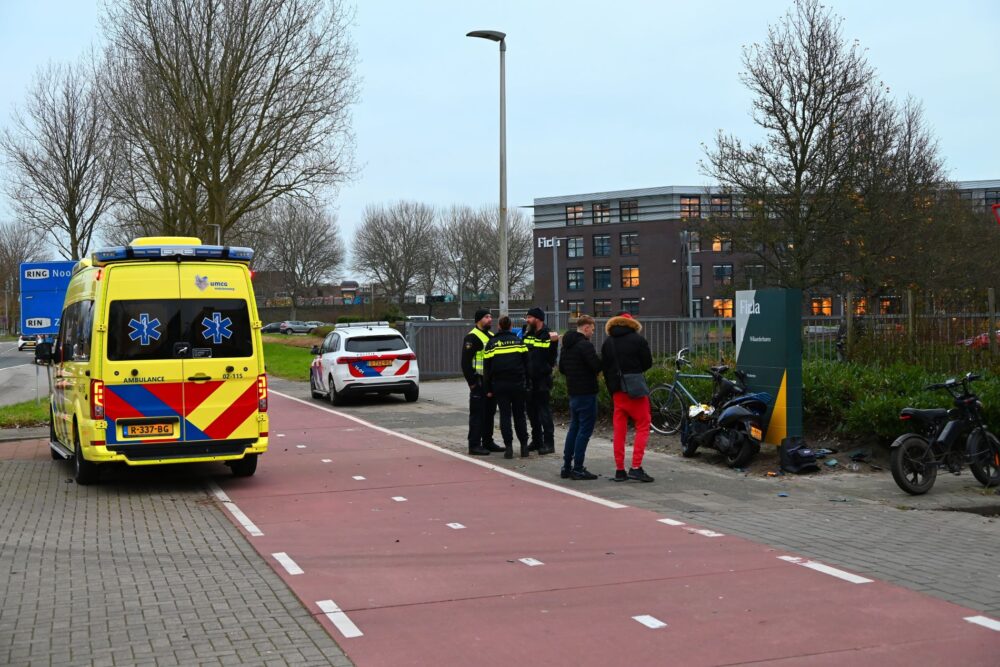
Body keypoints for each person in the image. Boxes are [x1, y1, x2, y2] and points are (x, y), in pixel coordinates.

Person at [601, 311, 654, 482]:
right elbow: (647, 362)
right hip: (635, 389)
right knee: (643, 425)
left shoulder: (608, 342)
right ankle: (636, 467)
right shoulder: (638, 339)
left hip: (617, 391)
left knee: (619, 431)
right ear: (631, 323)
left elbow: (605, 367)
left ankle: (619, 470)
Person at [558, 315, 602, 480]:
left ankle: (566, 466)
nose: (592, 331)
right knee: (584, 431)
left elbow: (562, 368)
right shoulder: (585, 345)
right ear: (585, 327)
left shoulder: (566, 345)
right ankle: (578, 468)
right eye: (592, 328)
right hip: (587, 392)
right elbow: (596, 366)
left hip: (573, 391)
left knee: (574, 429)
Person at [483, 316, 531, 459]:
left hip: (500, 385)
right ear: (511, 326)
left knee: (505, 416)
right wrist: (527, 384)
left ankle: (508, 448)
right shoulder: (519, 342)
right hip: (517, 384)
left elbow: (487, 370)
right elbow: (527, 365)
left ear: (499, 326)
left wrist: (488, 389)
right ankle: (524, 447)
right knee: (519, 415)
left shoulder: (492, 344)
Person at [461, 309, 503, 456]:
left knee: (489, 413)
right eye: (486, 317)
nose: (490, 319)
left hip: (490, 382)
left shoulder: (491, 336)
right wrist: (472, 383)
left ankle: (488, 441)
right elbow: (465, 363)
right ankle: (474, 445)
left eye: (491, 316)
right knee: (477, 414)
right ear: (479, 320)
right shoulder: (472, 337)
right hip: (478, 382)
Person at [522, 307, 558, 455]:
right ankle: (537, 441)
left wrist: (554, 343)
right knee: (531, 411)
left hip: (542, 378)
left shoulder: (547, 334)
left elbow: (551, 357)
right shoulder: (527, 334)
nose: (527, 320)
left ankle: (549, 443)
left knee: (544, 412)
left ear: (538, 319)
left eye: (529, 317)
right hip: (528, 379)